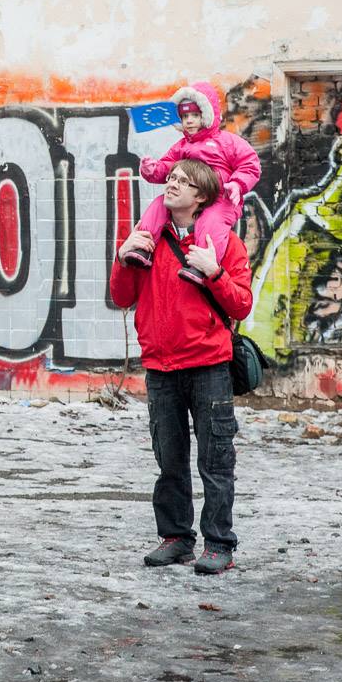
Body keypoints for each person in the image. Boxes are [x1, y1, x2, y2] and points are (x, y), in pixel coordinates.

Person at [111, 158, 254, 575]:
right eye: (170, 178)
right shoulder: (148, 239)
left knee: (216, 461)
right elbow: (122, 297)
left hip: (209, 366)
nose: (171, 184)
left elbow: (242, 304)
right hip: (161, 368)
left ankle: (219, 544)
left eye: (183, 181)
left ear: (202, 196)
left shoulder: (224, 243)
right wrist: (122, 258)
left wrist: (214, 273)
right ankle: (176, 539)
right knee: (169, 460)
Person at [122, 81, 260, 285]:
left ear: (207, 114)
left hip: (221, 198)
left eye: (195, 115)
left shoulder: (227, 142)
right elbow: (168, 166)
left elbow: (250, 163)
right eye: (185, 116)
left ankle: (201, 265)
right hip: (190, 195)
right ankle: (143, 247)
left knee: (211, 222)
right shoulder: (182, 146)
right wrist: (152, 169)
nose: (189, 121)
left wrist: (238, 184)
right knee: (158, 205)